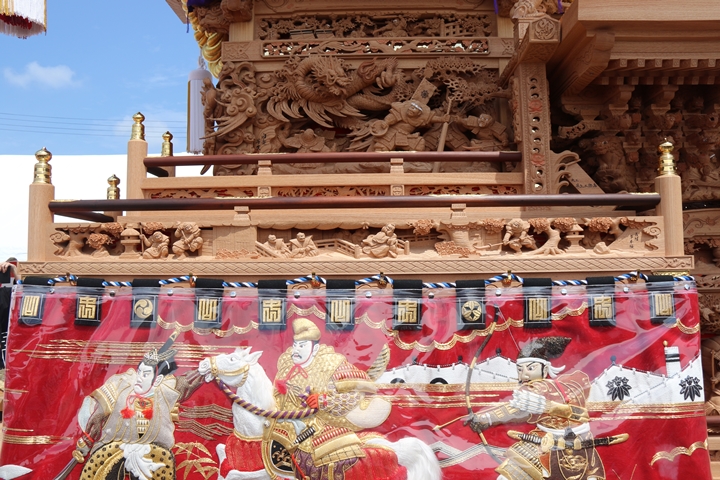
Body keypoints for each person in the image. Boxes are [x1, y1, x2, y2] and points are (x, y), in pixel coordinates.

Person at [465, 336, 626, 480]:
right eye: (520, 370)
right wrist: (485, 418)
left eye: (530, 368)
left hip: (578, 445)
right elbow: (515, 408)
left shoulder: (554, 386)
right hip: (541, 442)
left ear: (545, 369)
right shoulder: (550, 387)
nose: (524, 375)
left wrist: (486, 418)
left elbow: (516, 409)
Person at [267, 318, 392, 479]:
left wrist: (323, 401)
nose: (296, 350)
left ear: (314, 348)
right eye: (296, 345)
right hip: (285, 425)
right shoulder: (286, 366)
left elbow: (355, 394)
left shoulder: (331, 364)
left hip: (323, 425)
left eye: (302, 345)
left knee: (315, 458)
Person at [69, 345, 203, 480]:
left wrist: (207, 368)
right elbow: (99, 412)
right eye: (139, 372)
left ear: (157, 380)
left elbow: (187, 382)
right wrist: (88, 438)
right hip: (112, 451)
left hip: (153, 455)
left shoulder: (164, 393)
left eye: (145, 375)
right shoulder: (121, 386)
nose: (139, 378)